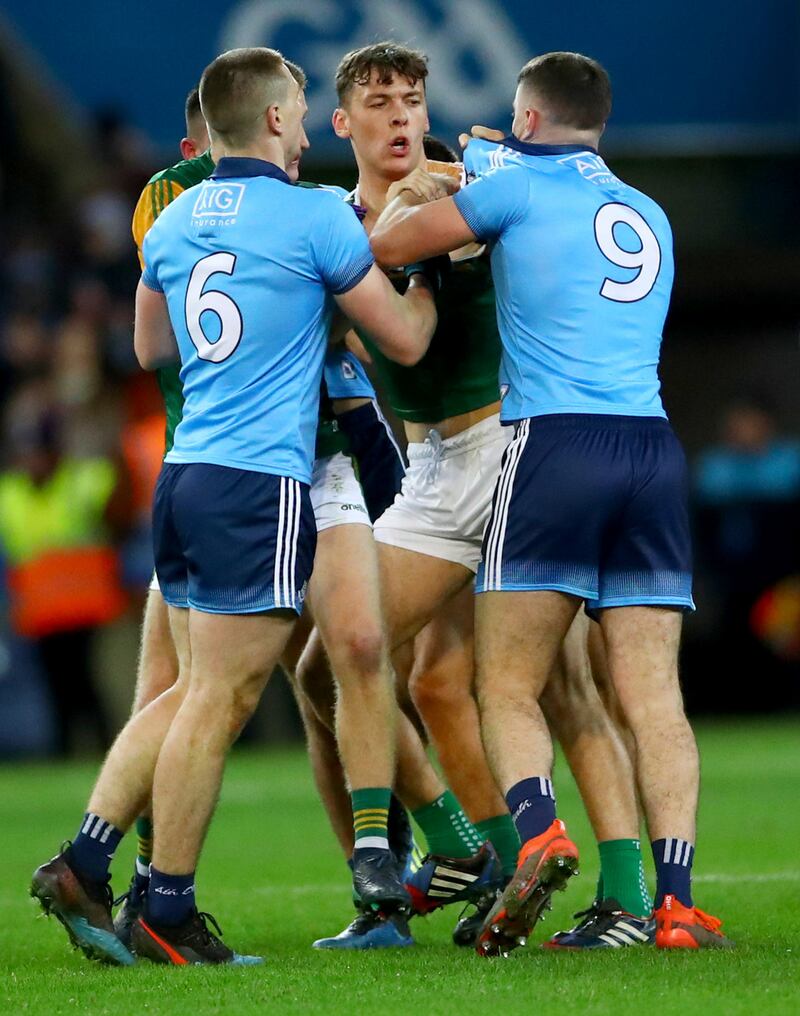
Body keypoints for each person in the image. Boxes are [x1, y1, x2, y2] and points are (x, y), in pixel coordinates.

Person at [30, 46, 438, 966]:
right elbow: (407, 343)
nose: (305, 124)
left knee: (191, 690)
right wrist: (426, 279)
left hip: (185, 477)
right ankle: (165, 909)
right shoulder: (313, 215)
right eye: (299, 108)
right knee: (220, 697)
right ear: (277, 118)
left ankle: (88, 859)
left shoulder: (172, 221)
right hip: (261, 480)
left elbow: (150, 348)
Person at [371, 50, 732, 953]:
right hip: (651, 450)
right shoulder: (649, 210)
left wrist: (431, 187)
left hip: (555, 445)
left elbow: (389, 247)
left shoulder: (513, 188)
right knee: (652, 696)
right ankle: (675, 907)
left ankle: (539, 833)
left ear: (527, 118)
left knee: (506, 684)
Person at [311, 42, 651, 951]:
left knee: (555, 684)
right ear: (340, 123)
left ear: (428, 115)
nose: (399, 115)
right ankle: (486, 852)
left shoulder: (466, 195)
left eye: (411, 100)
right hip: (431, 471)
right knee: (411, 676)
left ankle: (611, 889)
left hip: (503, 449)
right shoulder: (337, 219)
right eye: (378, 101)